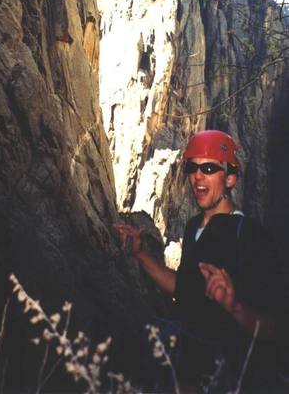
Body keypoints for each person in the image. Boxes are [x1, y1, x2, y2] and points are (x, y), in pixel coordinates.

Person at [114, 130, 286, 391]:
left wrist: (233, 305)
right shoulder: (194, 227)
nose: (197, 176)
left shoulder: (250, 236)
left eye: (208, 168)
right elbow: (183, 288)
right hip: (183, 359)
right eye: (192, 168)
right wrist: (140, 253)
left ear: (230, 178)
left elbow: (275, 327)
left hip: (218, 372)